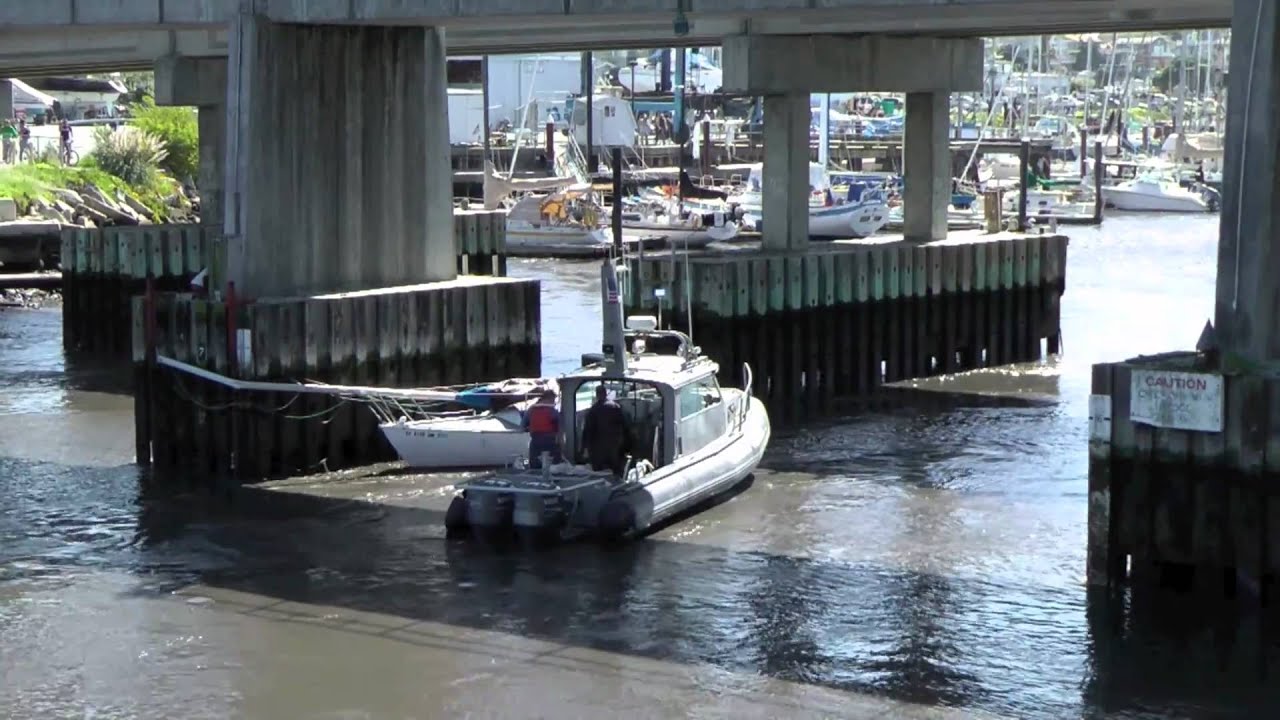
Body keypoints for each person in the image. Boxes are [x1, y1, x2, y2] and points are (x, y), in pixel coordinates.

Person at [581, 385, 630, 476]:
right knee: (615, 468)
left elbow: (588, 430)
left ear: (597, 395)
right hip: (614, 444)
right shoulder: (616, 407)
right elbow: (624, 426)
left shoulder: (593, 410)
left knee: (598, 470)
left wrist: (584, 447)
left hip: (598, 446)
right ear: (606, 393)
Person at [522, 389, 561, 468]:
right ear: (549, 399)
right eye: (553, 399)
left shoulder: (531, 409)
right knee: (554, 463)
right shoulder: (552, 410)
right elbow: (559, 423)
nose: (554, 402)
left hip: (535, 440)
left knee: (535, 463)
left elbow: (523, 424)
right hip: (550, 440)